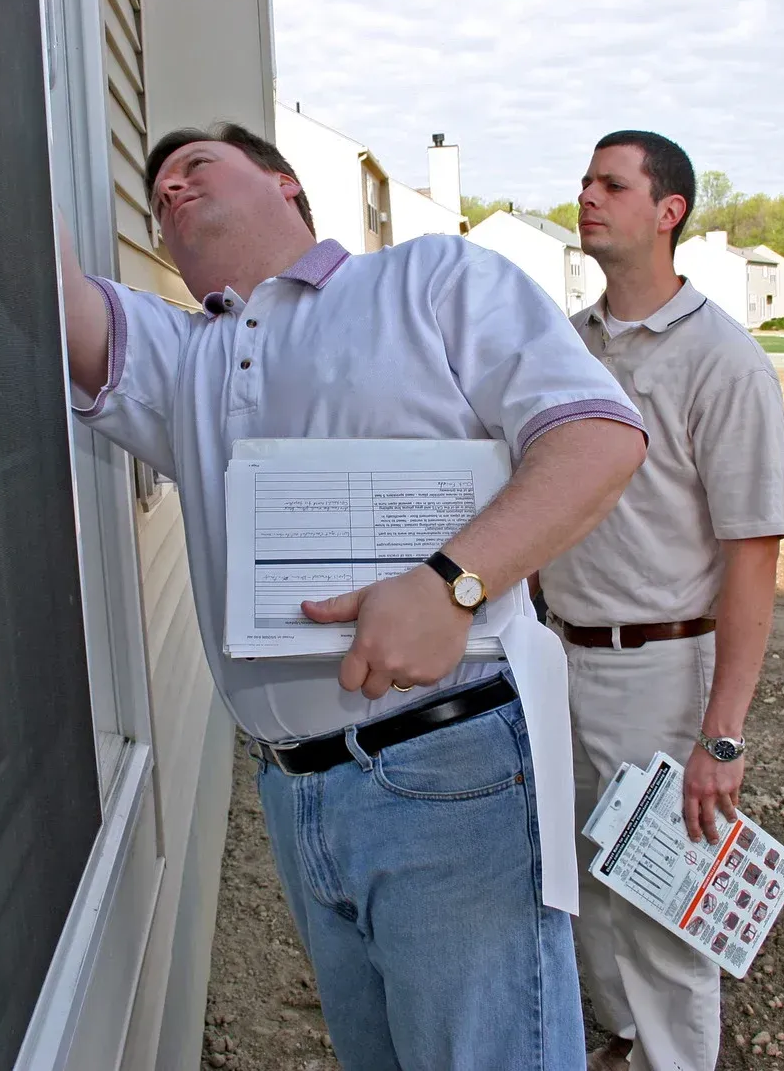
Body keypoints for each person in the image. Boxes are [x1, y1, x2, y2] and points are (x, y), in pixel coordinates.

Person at [61, 122, 647, 1069]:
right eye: (157, 186)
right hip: (296, 793)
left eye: (195, 165)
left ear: (286, 184)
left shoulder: (430, 282)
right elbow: (56, 297)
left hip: (451, 766)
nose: (170, 189)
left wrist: (451, 584)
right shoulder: (188, 358)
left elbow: (597, 437)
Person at [538, 132, 784, 1071]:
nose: (587, 196)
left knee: (664, 904)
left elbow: (752, 554)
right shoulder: (568, 344)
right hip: (558, 650)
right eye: (586, 180)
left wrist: (721, 735)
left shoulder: (723, 362)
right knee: (588, 883)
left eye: (612, 183)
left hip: (659, 666)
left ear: (669, 211)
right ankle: (627, 1040)